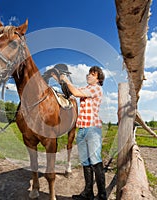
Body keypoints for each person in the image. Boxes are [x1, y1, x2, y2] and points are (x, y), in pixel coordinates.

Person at [60, 66, 106, 200]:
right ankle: (88, 193)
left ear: (98, 79)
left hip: (92, 130)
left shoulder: (96, 88)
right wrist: (62, 82)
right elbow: (72, 92)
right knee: (86, 162)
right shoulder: (86, 88)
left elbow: (76, 92)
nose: (89, 76)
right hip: (82, 129)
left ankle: (102, 195)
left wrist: (67, 80)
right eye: (89, 74)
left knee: (95, 161)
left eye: (92, 74)